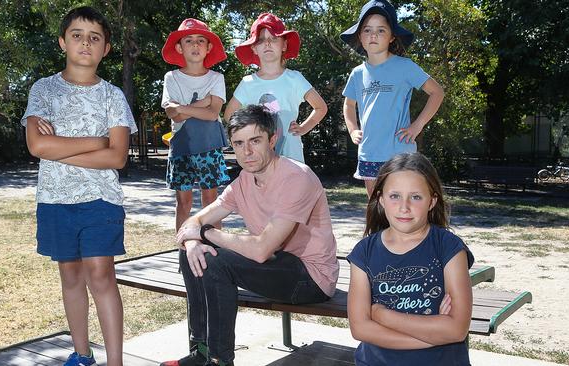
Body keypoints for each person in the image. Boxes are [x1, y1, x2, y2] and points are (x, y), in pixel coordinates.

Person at [162, 105, 339, 366]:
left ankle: (219, 361)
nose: (247, 152)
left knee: (215, 260)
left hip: (311, 278)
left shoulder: (296, 178)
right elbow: (194, 221)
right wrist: (192, 242)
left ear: (272, 140)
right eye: (239, 143)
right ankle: (200, 352)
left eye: (255, 141)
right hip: (276, 267)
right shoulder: (244, 181)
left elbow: (260, 250)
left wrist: (205, 233)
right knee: (194, 253)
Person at [21, 6, 137, 366]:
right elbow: (37, 146)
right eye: (77, 35)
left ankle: (115, 362)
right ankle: (81, 355)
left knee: (101, 275)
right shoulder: (43, 90)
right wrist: (97, 142)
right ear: (62, 42)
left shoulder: (112, 96)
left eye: (95, 37)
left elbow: (117, 157)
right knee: (70, 276)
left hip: (101, 199)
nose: (85, 42)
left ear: (106, 49)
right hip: (54, 200)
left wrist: (61, 149)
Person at [347, 152, 474, 366]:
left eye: (416, 197)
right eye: (395, 196)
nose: (404, 207)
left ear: (432, 201)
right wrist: (433, 335)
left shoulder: (448, 247)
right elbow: (360, 329)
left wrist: (383, 316)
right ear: (380, 199)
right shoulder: (364, 252)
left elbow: (456, 329)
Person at [340, 0, 445, 197]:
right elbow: (348, 104)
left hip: (400, 155)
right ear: (360, 37)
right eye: (367, 30)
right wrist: (353, 129)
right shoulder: (357, 73)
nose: (373, 35)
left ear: (391, 37)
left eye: (381, 30)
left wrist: (418, 125)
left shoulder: (405, 67)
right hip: (369, 153)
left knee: (401, 208)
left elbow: (437, 92)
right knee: (376, 208)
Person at [223, 13, 328, 164]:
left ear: (284, 45)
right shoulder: (247, 83)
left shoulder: (295, 79)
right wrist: (250, 132)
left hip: (292, 157)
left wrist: (304, 128)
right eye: (261, 40)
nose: (267, 43)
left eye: (273, 38)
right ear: (254, 48)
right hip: (260, 159)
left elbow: (320, 107)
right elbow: (229, 115)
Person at [161, 18, 231, 231]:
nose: (195, 44)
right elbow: (174, 115)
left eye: (201, 40)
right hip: (181, 148)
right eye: (188, 40)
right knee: (183, 203)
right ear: (179, 47)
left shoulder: (217, 78)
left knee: (211, 202)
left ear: (209, 47)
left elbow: (212, 114)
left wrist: (182, 107)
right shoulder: (171, 78)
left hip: (210, 147)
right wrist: (202, 102)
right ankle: (183, 252)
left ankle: (215, 254)